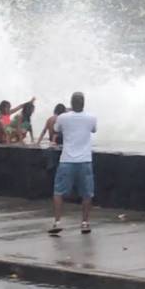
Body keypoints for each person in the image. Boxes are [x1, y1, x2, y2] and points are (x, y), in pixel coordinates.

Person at [49, 92, 97, 235]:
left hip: (67, 160)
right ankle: (84, 222)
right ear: (83, 103)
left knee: (58, 191)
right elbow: (94, 130)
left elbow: (56, 129)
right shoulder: (91, 118)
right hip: (85, 160)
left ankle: (57, 221)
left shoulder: (63, 118)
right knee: (87, 193)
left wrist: (68, 112)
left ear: (71, 103)